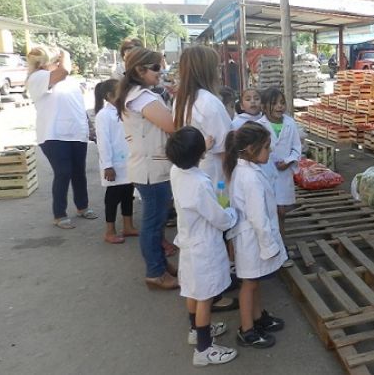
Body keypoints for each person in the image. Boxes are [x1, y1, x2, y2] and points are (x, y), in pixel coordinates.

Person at [166, 126, 238, 367]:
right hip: (205, 247)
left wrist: (200, 147)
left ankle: (196, 330)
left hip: (188, 243)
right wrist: (231, 215)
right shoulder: (199, 183)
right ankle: (204, 349)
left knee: (192, 291)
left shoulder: (176, 171)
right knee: (206, 297)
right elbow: (217, 217)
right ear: (200, 153)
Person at [114, 47, 178, 290]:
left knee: (156, 223)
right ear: (140, 70)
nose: (161, 72)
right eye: (156, 68)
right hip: (151, 169)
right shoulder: (142, 97)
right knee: (153, 224)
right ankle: (155, 272)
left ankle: (160, 264)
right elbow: (172, 125)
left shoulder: (137, 94)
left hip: (149, 166)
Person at [223, 123, 287, 349]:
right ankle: (247, 329)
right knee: (249, 284)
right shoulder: (249, 177)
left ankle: (258, 317)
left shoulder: (248, 170)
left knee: (255, 280)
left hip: (252, 238)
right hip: (252, 239)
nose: (270, 151)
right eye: (267, 147)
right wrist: (269, 245)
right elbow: (258, 218)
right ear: (251, 149)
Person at [26, 46, 98, 230]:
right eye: (57, 60)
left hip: (76, 132)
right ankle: (59, 214)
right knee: (63, 172)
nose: (60, 63)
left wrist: (89, 126)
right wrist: (65, 55)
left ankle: (82, 206)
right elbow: (64, 70)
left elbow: (78, 105)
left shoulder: (69, 81)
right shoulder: (37, 77)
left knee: (78, 172)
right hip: (53, 134)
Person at [173, 46, 232, 186]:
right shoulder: (209, 102)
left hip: (193, 173)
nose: (219, 73)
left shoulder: (181, 100)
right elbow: (225, 149)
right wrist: (232, 182)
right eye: (217, 68)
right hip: (215, 176)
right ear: (207, 71)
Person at [94, 79, 138, 244]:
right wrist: (107, 165)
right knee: (113, 197)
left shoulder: (124, 111)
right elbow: (103, 142)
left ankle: (128, 226)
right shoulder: (104, 115)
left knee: (128, 194)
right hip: (113, 164)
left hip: (127, 162)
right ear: (110, 96)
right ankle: (110, 230)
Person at [257, 88, 301, 236]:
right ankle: (270, 240)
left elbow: (296, 148)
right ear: (263, 107)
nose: (279, 106)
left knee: (281, 212)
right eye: (274, 103)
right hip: (265, 172)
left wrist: (288, 161)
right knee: (268, 210)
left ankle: (281, 241)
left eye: (282, 103)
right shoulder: (259, 125)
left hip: (284, 173)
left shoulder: (290, 123)